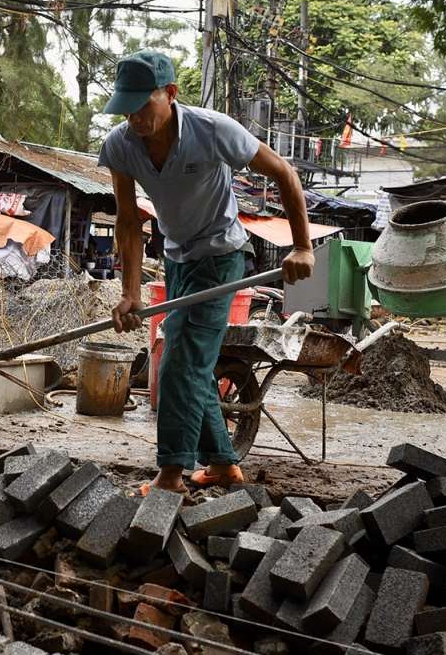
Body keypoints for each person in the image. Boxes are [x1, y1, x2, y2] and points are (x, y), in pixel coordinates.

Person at [98, 50, 314, 495]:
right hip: (177, 260)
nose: (135, 117)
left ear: (171, 93)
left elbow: (284, 172)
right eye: (127, 107)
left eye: (144, 105)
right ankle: (220, 464)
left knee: (179, 361)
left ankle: (171, 476)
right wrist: (130, 292)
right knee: (189, 362)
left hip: (220, 260)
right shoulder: (120, 144)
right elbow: (127, 221)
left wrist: (303, 246)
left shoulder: (213, 130)